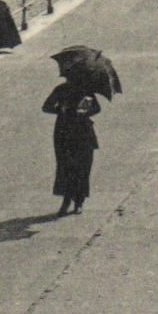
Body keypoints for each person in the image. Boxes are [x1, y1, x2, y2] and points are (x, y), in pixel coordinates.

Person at [43, 71, 101, 216]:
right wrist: (60, 109)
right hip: (65, 133)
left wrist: (85, 111)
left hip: (83, 132)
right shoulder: (61, 90)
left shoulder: (86, 90)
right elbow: (46, 106)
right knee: (66, 167)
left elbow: (97, 108)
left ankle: (79, 202)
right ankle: (66, 200)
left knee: (82, 167)